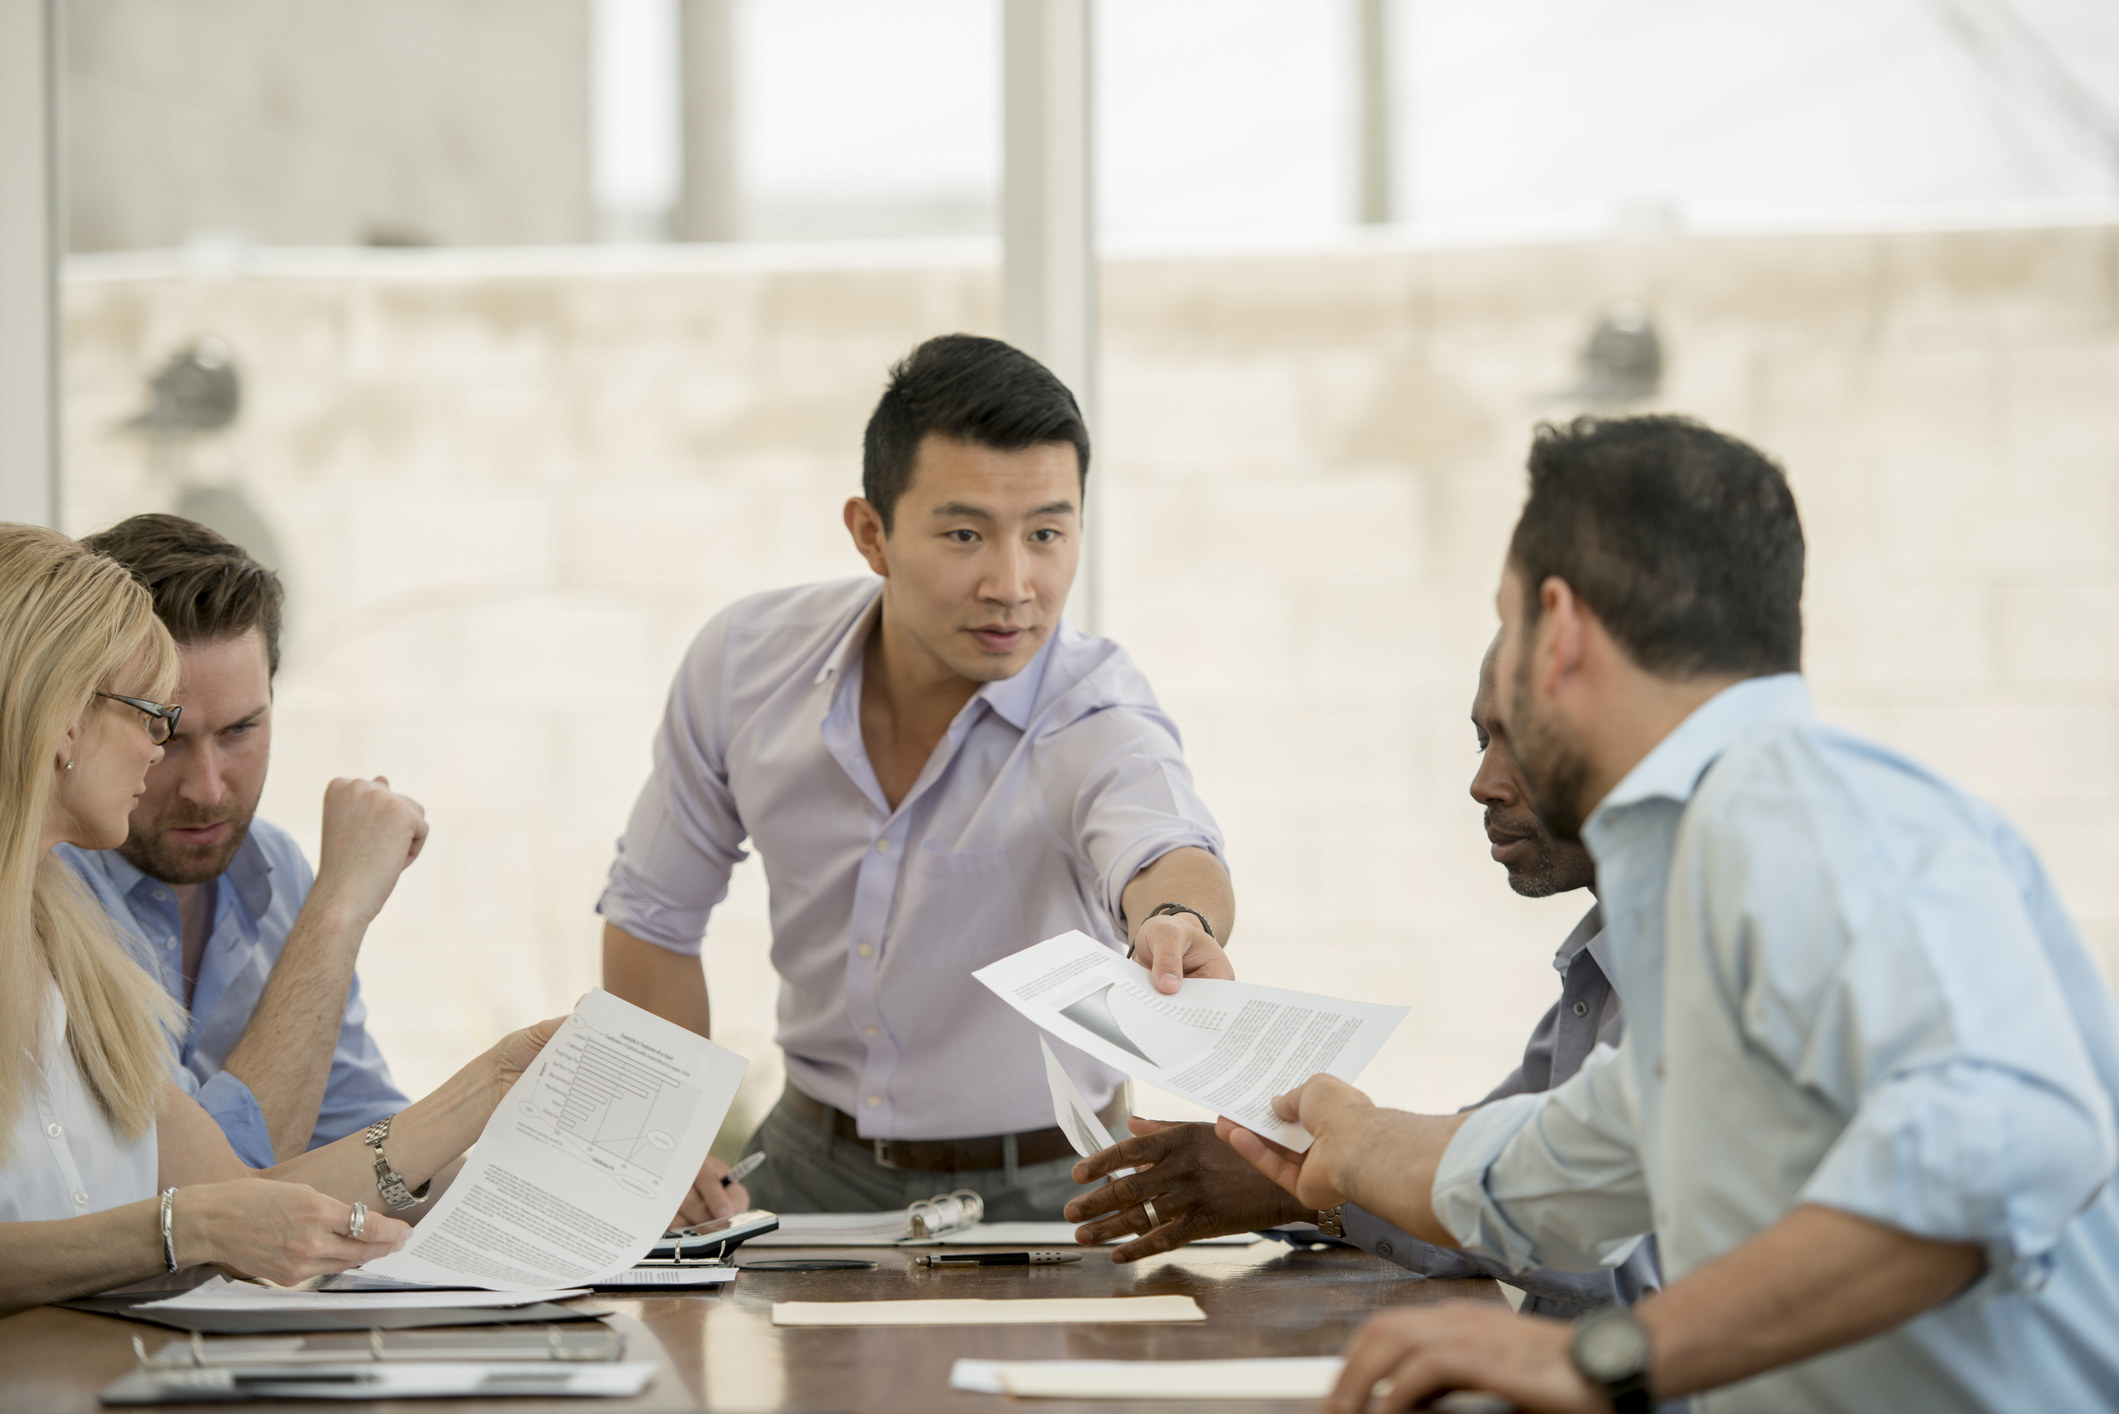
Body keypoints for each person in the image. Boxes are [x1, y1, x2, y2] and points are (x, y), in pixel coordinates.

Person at [1222, 416, 2119, 1413]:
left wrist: (1599, 1357)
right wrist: (1351, 1141)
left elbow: (1996, 1151)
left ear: (1556, 630)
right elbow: (1567, 1161)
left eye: (1507, 624)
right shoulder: (1711, 871)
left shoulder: (1812, 818)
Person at [0, 524, 730, 1313]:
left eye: (240, 729)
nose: (193, 779)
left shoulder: (67, 935)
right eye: (158, 721)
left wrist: (502, 1095)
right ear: (61, 721)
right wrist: (341, 912)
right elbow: (213, 1212)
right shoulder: (79, 893)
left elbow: (237, 1195)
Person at [599, 334, 1235, 1221]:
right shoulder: (746, 664)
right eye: (965, 534)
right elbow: (653, 915)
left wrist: (1177, 920)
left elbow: (1164, 841)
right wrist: (659, 1146)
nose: (1013, 584)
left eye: (1047, 533)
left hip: (1058, 1186)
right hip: (808, 1163)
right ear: (872, 534)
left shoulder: (1094, 708)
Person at [1064, 639, 1662, 1319]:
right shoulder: (1606, 964)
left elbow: (1603, 1237)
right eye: (1481, 741)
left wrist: (1325, 1175)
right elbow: (1494, 1158)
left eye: (1521, 741)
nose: (1483, 782)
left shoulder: (1694, 966)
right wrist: (1303, 1167)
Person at [57, 514, 422, 1167]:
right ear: (75, 721)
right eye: (166, 735)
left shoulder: (273, 864)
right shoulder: (44, 891)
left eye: (239, 730)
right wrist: (338, 912)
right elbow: (210, 1192)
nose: (206, 787)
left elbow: (363, 1139)